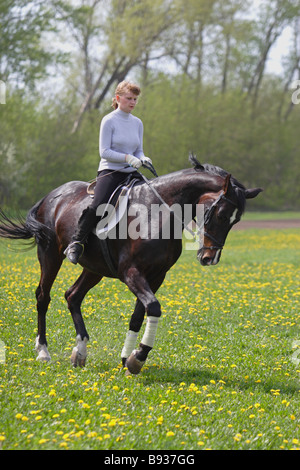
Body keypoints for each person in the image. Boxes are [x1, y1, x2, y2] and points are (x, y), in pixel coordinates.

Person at [64, 80, 152, 264]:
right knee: (98, 206)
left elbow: (139, 150)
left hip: (131, 173)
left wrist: (143, 158)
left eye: (135, 99)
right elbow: (104, 152)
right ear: (118, 98)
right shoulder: (109, 120)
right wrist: (127, 158)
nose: (133, 102)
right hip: (110, 172)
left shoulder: (138, 123)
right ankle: (76, 242)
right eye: (129, 98)